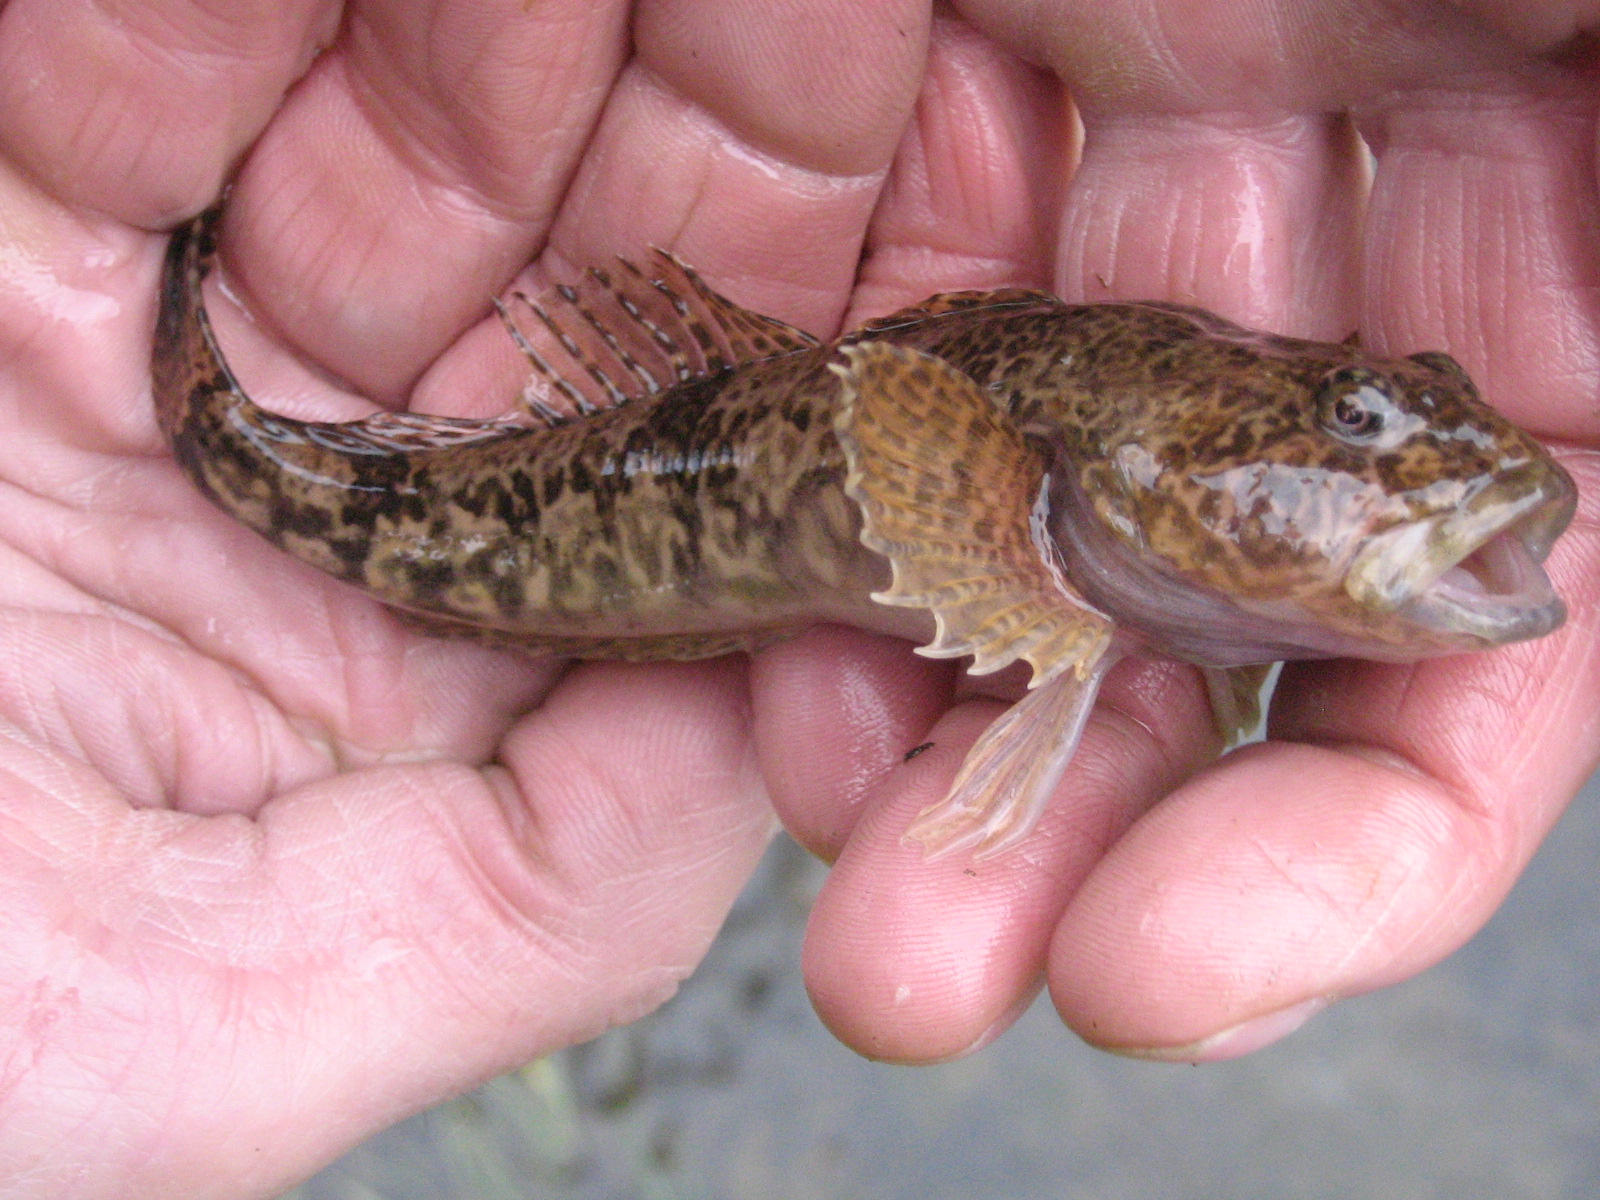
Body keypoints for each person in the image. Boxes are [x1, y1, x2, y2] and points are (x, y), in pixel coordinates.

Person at [0, 0, 1594, 1194]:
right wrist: (1063, 642)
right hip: (602, 484)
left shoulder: (1125, 489)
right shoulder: (1058, 486)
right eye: (1361, 424)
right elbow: (913, 419)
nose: (1403, 461)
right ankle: (213, 390)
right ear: (1133, 472)